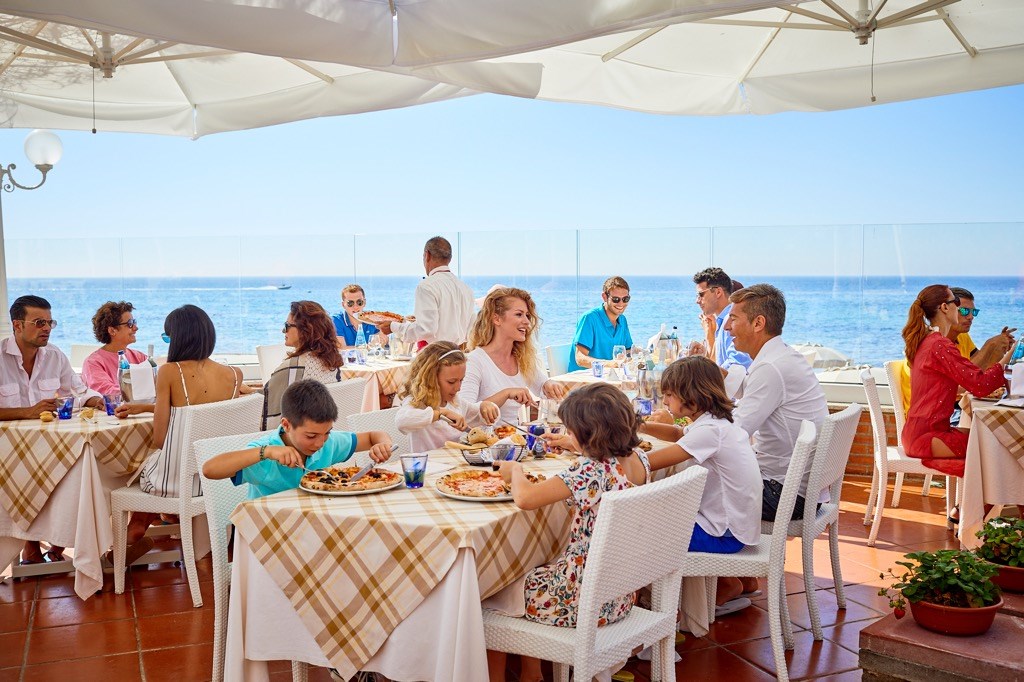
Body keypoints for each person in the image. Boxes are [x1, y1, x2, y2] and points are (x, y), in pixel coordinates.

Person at [486, 383, 650, 682]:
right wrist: (570, 443)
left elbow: (525, 499)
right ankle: (531, 672)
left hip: (577, 599)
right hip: (619, 596)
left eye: (571, 430)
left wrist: (515, 472)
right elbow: (605, 465)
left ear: (587, 434)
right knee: (532, 567)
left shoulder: (588, 471)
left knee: (492, 588)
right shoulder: (637, 460)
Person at [117, 304, 249, 565]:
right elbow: (198, 412)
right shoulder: (235, 375)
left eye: (167, 337)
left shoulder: (169, 371)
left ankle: (132, 532)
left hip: (176, 483)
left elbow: (159, 438)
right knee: (152, 464)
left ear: (177, 338)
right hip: (216, 479)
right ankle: (142, 530)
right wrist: (146, 407)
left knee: (123, 471)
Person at [640, 356, 762, 616]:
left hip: (724, 535)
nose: (665, 401)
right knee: (656, 519)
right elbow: (676, 434)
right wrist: (637, 426)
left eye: (670, 395)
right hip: (734, 526)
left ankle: (661, 614)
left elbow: (646, 464)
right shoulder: (717, 423)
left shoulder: (710, 432)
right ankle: (724, 584)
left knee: (642, 533)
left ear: (692, 399)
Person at [1, 295, 103, 565]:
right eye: (39, 322)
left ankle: (60, 541)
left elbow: (78, 391)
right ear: (17, 325)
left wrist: (97, 400)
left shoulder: (55, 355)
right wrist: (26, 411)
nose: (46, 328)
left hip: (46, 444)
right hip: (6, 449)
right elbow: (30, 410)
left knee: (80, 464)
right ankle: (30, 544)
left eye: (49, 322)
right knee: (31, 470)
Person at [722, 284, 829, 522]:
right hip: (805, 491)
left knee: (685, 487)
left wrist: (684, 425)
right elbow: (752, 390)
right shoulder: (782, 355)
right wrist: (712, 374)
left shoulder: (770, 367)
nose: (727, 327)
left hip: (782, 495)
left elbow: (732, 434)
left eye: (733, 318)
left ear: (758, 323)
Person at [203, 379, 394, 499]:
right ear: (286, 425)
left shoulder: (329, 443)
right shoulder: (266, 454)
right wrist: (266, 452)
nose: (320, 443)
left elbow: (372, 436)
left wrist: (383, 444)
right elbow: (210, 469)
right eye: (311, 436)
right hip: (268, 532)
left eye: (326, 432)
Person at [901, 285, 1013, 478]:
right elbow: (981, 385)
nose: (965, 313)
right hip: (928, 438)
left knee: (993, 440)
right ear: (945, 308)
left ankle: (972, 506)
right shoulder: (940, 345)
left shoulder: (929, 340)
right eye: (956, 303)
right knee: (1001, 446)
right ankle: (979, 506)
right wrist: (1008, 358)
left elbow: (972, 377)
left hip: (919, 434)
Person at [459, 287, 566, 426]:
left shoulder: (521, 358)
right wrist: (506, 393)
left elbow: (542, 385)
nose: (527, 322)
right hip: (484, 443)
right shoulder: (474, 361)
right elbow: (464, 413)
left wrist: (549, 384)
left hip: (513, 440)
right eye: (519, 314)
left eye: (527, 315)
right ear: (496, 319)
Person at [897, 285, 1009, 414]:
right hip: (935, 416)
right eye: (964, 310)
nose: (971, 317)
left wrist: (999, 349)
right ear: (945, 307)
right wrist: (991, 346)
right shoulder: (939, 345)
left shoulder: (939, 339)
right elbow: (975, 382)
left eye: (974, 312)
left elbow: (976, 370)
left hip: (940, 412)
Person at [395, 341, 499, 451]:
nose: (458, 388)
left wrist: (485, 407)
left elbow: (477, 414)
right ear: (430, 379)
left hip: (456, 465)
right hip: (427, 466)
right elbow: (402, 421)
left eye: (461, 380)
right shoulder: (416, 402)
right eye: (451, 382)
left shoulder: (456, 402)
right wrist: (441, 413)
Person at [376, 236, 475, 347]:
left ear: (427, 255)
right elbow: (469, 328)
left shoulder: (426, 287)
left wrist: (393, 327)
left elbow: (426, 329)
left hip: (436, 355)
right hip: (458, 355)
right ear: (449, 259)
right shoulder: (466, 289)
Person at [263, 300, 343, 429]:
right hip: (325, 433)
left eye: (287, 325)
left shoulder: (292, 368)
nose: (283, 330)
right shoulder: (332, 363)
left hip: (294, 439)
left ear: (305, 330)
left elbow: (268, 405)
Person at [81, 300, 157, 403]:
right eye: (130, 324)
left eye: (134, 322)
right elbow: (107, 393)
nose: (136, 328)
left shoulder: (139, 357)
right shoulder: (93, 362)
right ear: (112, 330)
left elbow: (157, 382)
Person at [690, 267, 752, 372]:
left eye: (701, 294)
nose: (697, 300)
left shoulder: (732, 320)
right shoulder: (722, 320)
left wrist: (699, 368)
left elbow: (738, 365)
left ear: (718, 292)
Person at [568, 276, 634, 372]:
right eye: (616, 299)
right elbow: (580, 358)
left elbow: (629, 351)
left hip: (609, 377)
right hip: (586, 380)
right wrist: (609, 364)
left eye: (625, 299)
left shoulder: (622, 320)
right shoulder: (589, 318)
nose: (621, 303)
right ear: (604, 297)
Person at [331, 284, 382, 348]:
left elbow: (380, 344)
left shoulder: (372, 320)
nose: (355, 307)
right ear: (343, 305)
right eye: (350, 303)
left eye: (359, 302)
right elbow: (341, 348)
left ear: (364, 303)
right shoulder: (337, 320)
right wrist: (368, 348)